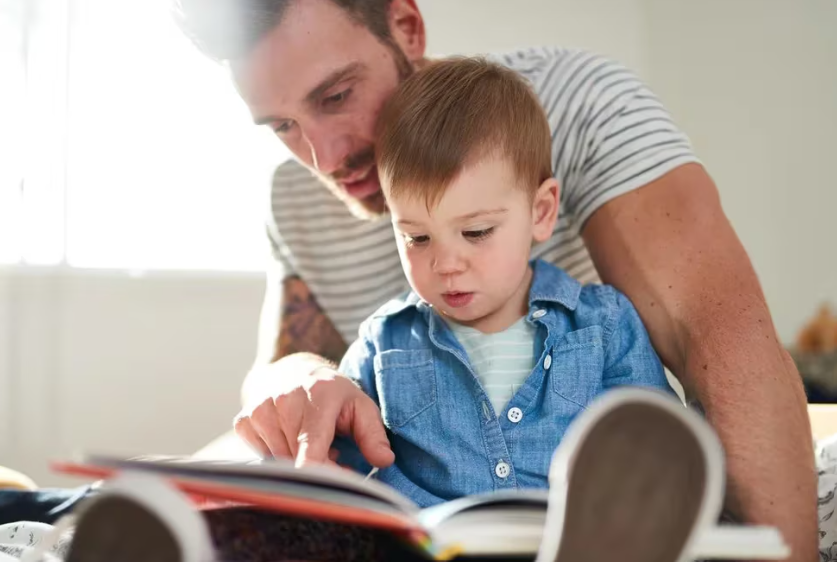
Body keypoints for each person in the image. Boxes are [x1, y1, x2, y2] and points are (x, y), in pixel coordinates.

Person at [171, 0, 815, 559]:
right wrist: (305, 381)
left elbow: (723, 342)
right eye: (281, 126)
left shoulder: (578, 103)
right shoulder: (292, 199)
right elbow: (276, 377)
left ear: (405, 24)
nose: (324, 159)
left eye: (336, 96)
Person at [330, 56, 676, 504]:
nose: (446, 264)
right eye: (417, 237)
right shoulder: (382, 343)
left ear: (541, 212)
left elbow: (665, 452)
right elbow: (334, 477)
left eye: (476, 233)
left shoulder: (603, 326)